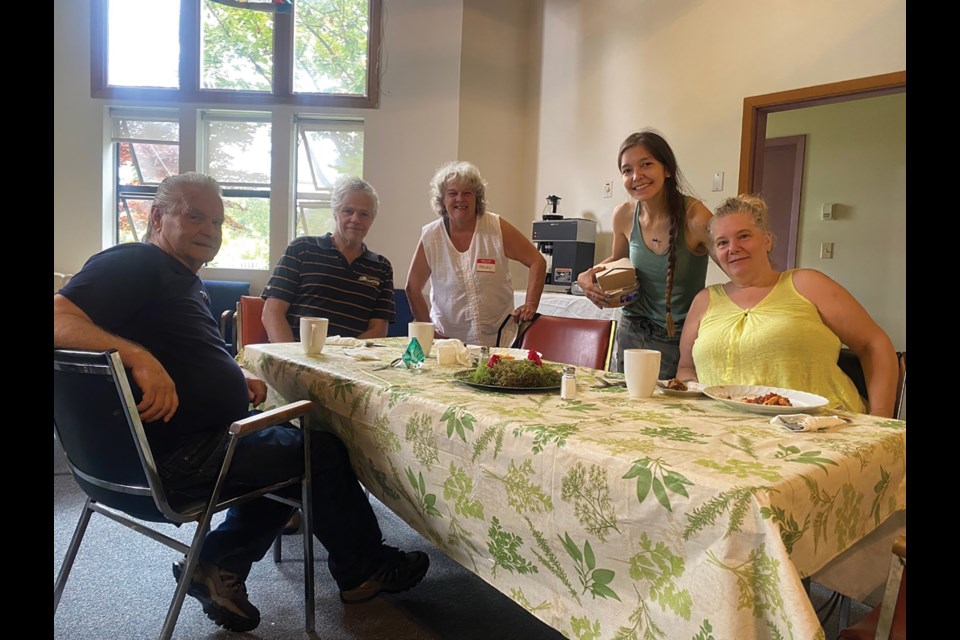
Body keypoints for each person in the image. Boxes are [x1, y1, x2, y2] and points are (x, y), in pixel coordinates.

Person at [53, 173, 429, 633]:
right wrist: (137, 356)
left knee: (286, 445)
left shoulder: (175, 278)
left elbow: (184, 350)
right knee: (319, 449)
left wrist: (235, 374)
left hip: (162, 456)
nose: (210, 229)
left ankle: (218, 563)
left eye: (217, 220)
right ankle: (363, 567)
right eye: (195, 216)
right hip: (175, 463)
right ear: (155, 217)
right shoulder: (135, 262)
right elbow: (56, 315)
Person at [675, 194, 898, 416]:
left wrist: (881, 421)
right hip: (727, 433)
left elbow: (874, 344)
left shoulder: (808, 284)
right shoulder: (704, 300)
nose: (733, 247)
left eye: (744, 236)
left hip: (823, 429)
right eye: (722, 242)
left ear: (767, 240)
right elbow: (686, 369)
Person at [576, 130, 712, 377]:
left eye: (646, 164)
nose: (636, 176)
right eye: (627, 170)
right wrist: (585, 276)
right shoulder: (624, 214)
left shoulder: (696, 216)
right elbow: (618, 260)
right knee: (626, 410)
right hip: (631, 331)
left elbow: (735, 265)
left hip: (679, 338)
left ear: (667, 169)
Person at [405, 161, 546, 347]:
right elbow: (412, 288)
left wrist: (530, 304)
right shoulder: (431, 236)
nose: (460, 199)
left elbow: (537, 261)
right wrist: (428, 330)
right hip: (449, 343)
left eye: (467, 193)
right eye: (452, 193)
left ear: (476, 198)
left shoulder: (496, 227)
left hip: (501, 339)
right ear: (442, 199)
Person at [262, 176, 394, 341]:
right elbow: (272, 313)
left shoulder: (382, 267)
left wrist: (344, 358)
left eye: (364, 214)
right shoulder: (301, 249)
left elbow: (378, 329)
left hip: (350, 361)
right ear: (335, 212)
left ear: (372, 219)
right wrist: (291, 359)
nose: (355, 219)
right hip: (296, 355)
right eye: (348, 211)